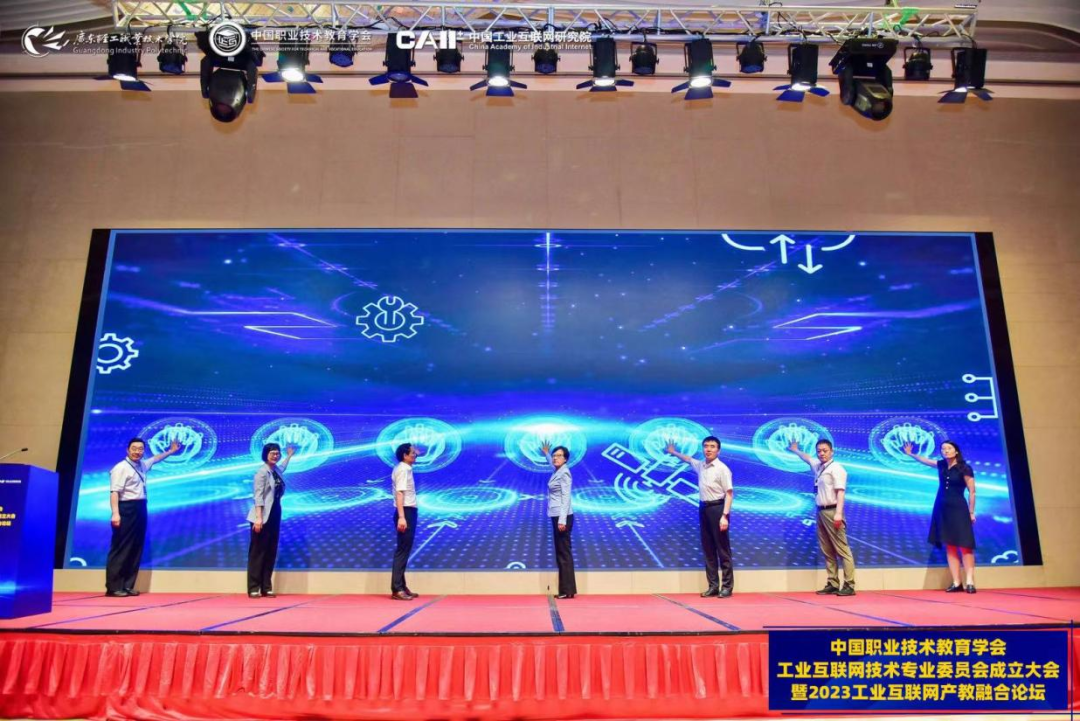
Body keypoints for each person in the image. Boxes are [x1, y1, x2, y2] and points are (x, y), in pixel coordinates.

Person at [106, 437, 182, 597]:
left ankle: (127, 585)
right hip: (126, 508)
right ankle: (114, 587)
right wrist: (115, 513)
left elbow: (155, 459)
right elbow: (114, 492)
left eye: (140, 449)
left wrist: (171, 451)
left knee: (136, 547)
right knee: (122, 547)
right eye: (134, 448)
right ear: (128, 450)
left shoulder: (141, 465)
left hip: (140, 507)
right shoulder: (121, 468)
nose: (137, 452)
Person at [905, 440, 977, 593]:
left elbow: (972, 492)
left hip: (959, 508)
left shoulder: (965, 468)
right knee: (950, 545)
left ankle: (970, 581)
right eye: (943, 449)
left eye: (949, 448)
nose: (946, 451)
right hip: (942, 508)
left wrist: (971, 512)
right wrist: (911, 454)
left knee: (965, 545)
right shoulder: (942, 465)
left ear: (956, 451)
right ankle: (956, 582)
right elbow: (925, 461)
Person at [667, 436, 735, 597]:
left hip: (718, 509)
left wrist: (725, 516)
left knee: (722, 550)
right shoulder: (701, 465)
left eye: (712, 446)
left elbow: (729, 493)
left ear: (718, 450)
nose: (708, 449)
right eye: (706, 446)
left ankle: (727, 587)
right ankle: (713, 586)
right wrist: (673, 452)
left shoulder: (722, 469)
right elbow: (688, 459)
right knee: (708, 549)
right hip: (703, 508)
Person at [788, 439, 856, 596]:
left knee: (842, 549)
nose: (821, 453)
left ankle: (849, 584)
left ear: (832, 452)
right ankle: (833, 582)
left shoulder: (837, 469)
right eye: (819, 451)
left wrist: (838, 513)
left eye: (825, 450)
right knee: (827, 550)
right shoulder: (819, 466)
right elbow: (807, 458)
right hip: (820, 511)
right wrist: (795, 450)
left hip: (833, 511)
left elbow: (840, 492)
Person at [246, 443, 295, 598]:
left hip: (275, 512)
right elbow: (258, 497)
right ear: (266, 454)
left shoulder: (276, 470)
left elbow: (283, 467)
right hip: (262, 515)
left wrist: (289, 455)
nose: (275, 456)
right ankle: (254, 587)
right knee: (258, 551)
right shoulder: (261, 472)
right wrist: (258, 518)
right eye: (272, 453)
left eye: (277, 453)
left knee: (270, 550)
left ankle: (266, 587)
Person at [541, 442, 576, 599]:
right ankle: (567, 590)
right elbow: (552, 464)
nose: (555, 458)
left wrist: (562, 521)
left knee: (563, 553)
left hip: (563, 517)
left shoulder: (565, 473)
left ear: (565, 459)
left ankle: (567, 590)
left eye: (559, 456)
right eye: (554, 456)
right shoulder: (558, 471)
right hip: (557, 516)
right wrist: (546, 454)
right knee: (561, 552)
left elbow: (566, 498)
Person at [391, 442, 421, 600]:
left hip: (409, 511)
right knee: (402, 550)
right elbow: (400, 493)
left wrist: (415, 450)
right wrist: (402, 517)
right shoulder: (403, 469)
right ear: (404, 455)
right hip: (406, 511)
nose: (415, 455)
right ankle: (397, 589)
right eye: (412, 453)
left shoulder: (404, 467)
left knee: (405, 549)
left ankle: (401, 586)